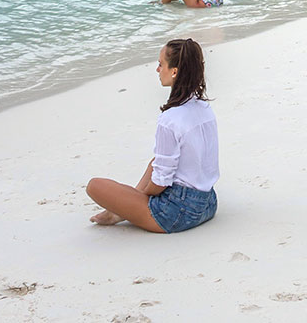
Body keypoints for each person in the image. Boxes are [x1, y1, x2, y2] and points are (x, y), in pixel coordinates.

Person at [87, 38, 219, 233]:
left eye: (160, 64)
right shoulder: (204, 108)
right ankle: (123, 209)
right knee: (155, 161)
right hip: (208, 203)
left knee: (94, 186)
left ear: (174, 71)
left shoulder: (170, 119)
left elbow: (161, 182)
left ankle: (121, 211)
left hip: (178, 213)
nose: (157, 70)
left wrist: (140, 197)